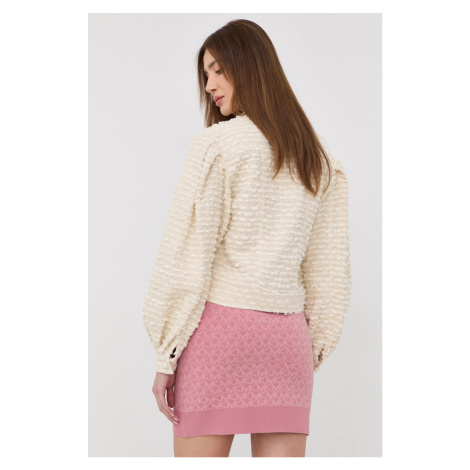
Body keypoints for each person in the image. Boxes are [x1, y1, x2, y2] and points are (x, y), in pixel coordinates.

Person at [142, 19, 351, 457]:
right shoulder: (319, 160)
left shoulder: (217, 146)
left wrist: (167, 352)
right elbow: (328, 273)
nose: (209, 85)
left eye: (219, 70)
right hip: (287, 345)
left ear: (251, 66)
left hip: (219, 338)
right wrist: (311, 349)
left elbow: (187, 255)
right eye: (206, 75)